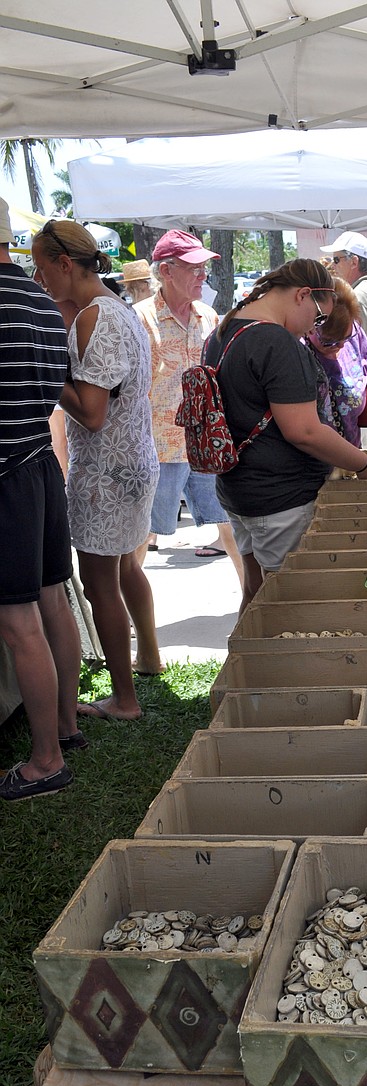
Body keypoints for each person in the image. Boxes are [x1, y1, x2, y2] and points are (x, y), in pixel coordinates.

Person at [31, 218, 160, 722]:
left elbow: (91, 411)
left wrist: (47, 373)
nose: (40, 283)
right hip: (130, 461)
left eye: (43, 271)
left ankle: (124, 698)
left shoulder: (96, 317)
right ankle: (141, 666)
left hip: (106, 470)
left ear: (66, 265)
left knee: (100, 582)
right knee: (121, 571)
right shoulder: (120, 310)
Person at [202, 259, 367, 613]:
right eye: (318, 319)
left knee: (256, 595)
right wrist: (363, 464)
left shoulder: (223, 332)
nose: (312, 331)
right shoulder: (276, 341)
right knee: (289, 608)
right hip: (280, 499)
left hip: (239, 492)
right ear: (303, 295)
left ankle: (247, 666)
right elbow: (304, 431)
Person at [0, 197, 82, 800]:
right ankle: (66, 726)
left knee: (17, 620)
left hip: (7, 473)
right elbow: (56, 386)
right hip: (39, 464)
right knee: (52, 600)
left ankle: (45, 759)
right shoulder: (40, 301)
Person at [135, 230, 240, 569]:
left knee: (234, 530)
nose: (202, 275)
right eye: (193, 268)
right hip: (159, 450)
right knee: (139, 540)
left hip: (206, 446)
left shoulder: (207, 316)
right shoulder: (140, 319)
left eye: (203, 267)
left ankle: (252, 606)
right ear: (166, 271)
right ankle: (124, 621)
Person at [307, 277, 367, 446]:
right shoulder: (297, 348)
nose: (340, 346)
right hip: (313, 461)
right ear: (310, 327)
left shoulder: (355, 335)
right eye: (329, 341)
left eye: (345, 338)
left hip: (351, 455)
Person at [320, 232, 367, 368]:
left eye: (337, 260)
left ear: (354, 262)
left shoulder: (358, 296)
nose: (333, 265)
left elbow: (351, 350)